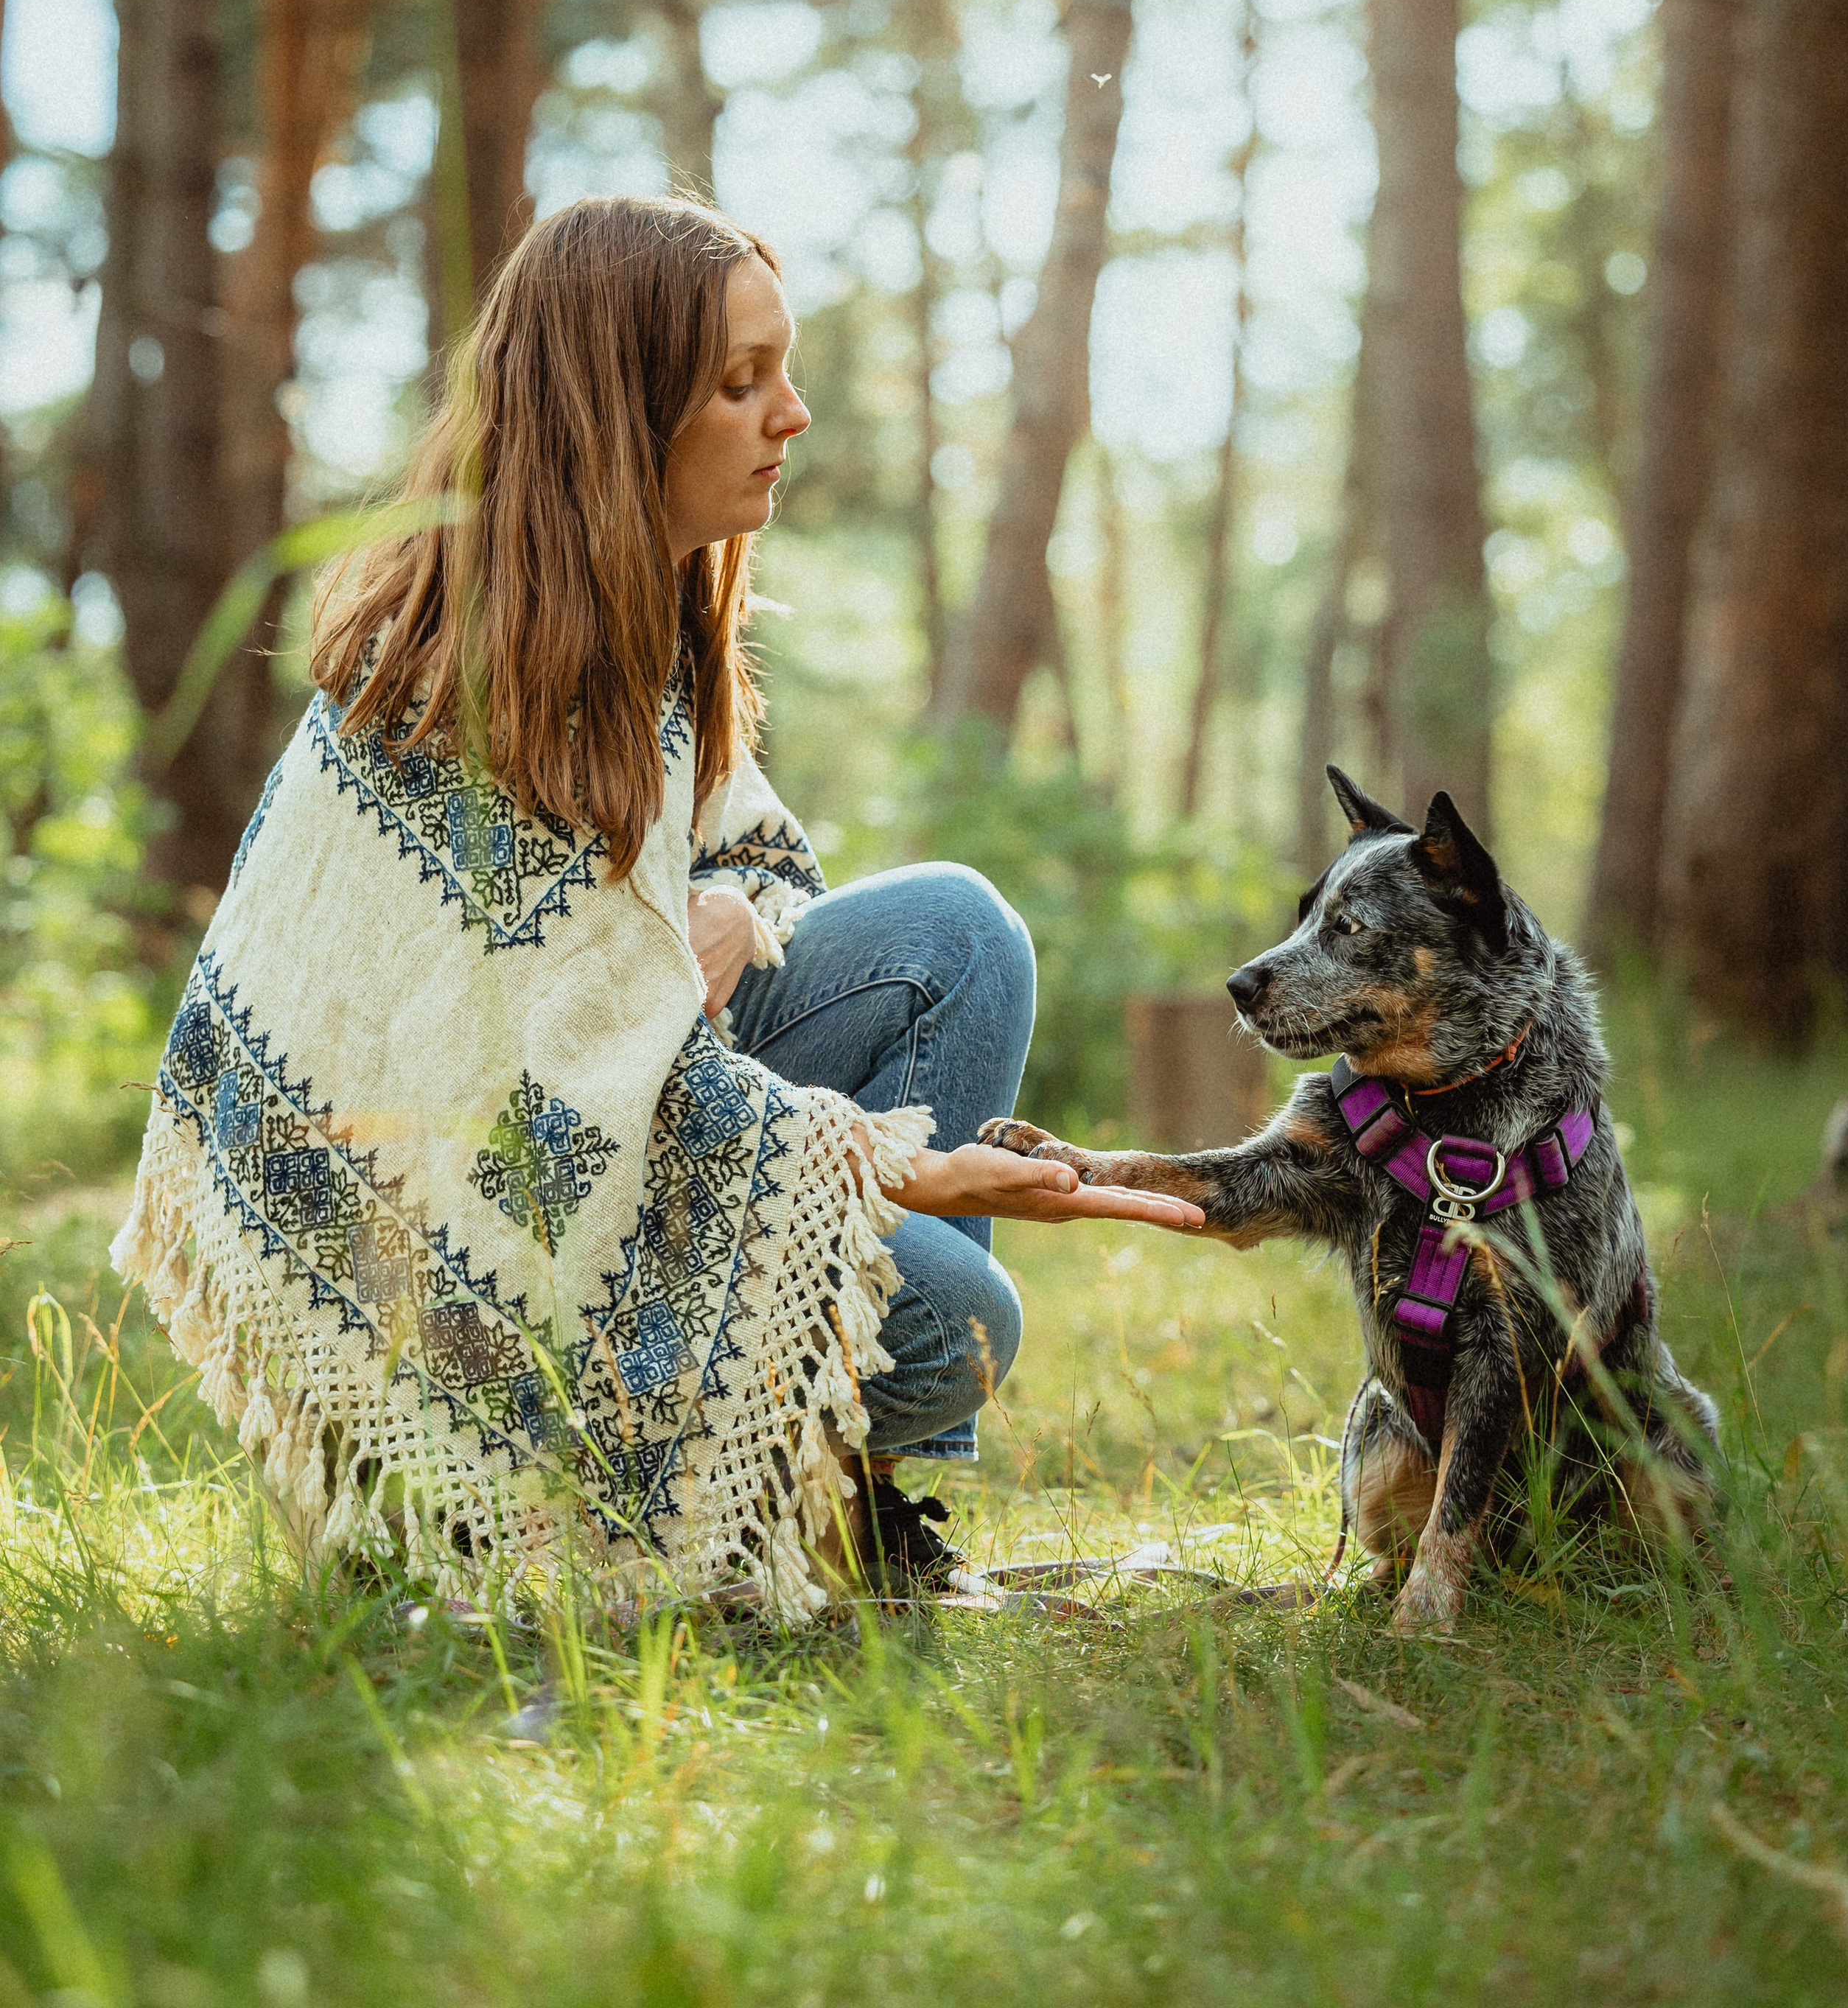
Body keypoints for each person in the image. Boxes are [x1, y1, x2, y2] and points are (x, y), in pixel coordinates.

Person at [111, 196, 1201, 1621]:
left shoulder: (652, 625)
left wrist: (734, 914)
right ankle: (603, 1518)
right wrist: (891, 1173)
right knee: (954, 1320)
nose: (791, 415)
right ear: (617, 415)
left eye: (783, 370)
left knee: (958, 937)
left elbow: (765, 867)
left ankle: (842, 1503)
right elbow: (528, 1102)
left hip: (604, 1150)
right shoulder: (457, 682)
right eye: (742, 382)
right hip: (432, 1274)